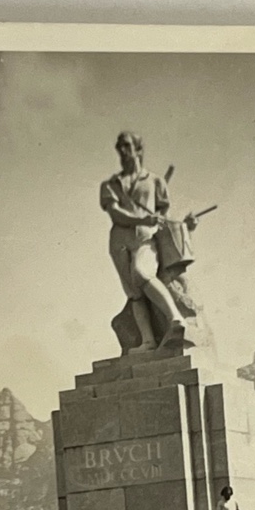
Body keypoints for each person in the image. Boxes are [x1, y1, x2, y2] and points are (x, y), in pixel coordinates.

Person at [100, 132, 197, 352]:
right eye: (119, 147)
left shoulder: (155, 181)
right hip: (119, 241)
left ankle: (175, 319)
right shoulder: (111, 185)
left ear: (138, 149)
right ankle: (148, 341)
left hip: (145, 238)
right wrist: (144, 218)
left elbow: (163, 210)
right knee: (134, 292)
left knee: (142, 273)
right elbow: (115, 214)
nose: (122, 151)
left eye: (126, 146)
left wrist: (182, 225)